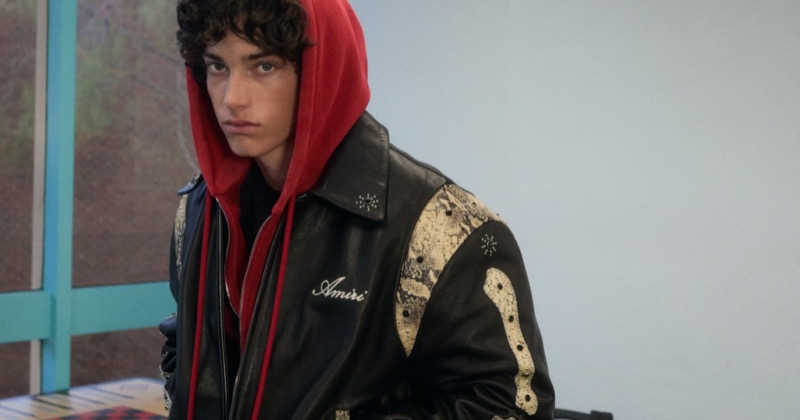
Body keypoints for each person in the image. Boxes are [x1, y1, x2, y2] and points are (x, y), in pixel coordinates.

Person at [158, 0, 555, 418]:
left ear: (323, 69)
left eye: (264, 66)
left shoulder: (443, 226)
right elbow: (185, 349)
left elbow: (510, 406)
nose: (232, 98)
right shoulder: (200, 208)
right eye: (217, 67)